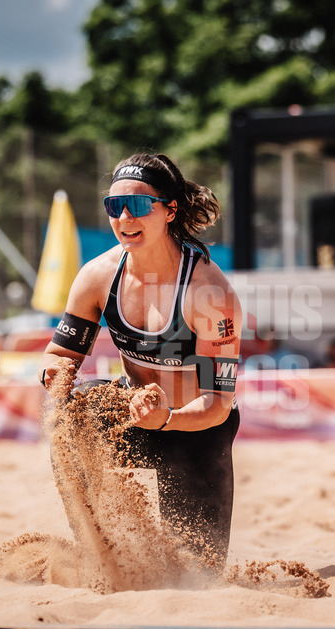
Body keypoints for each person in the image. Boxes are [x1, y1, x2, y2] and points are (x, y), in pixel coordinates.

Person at [38, 153, 241, 567]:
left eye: (139, 205)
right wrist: (55, 372)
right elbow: (59, 355)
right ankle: (99, 549)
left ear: (170, 210)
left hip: (195, 429)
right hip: (133, 415)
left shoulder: (209, 292)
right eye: (114, 206)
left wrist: (166, 418)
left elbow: (218, 405)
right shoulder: (97, 276)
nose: (125, 217)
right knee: (71, 416)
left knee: (197, 574)